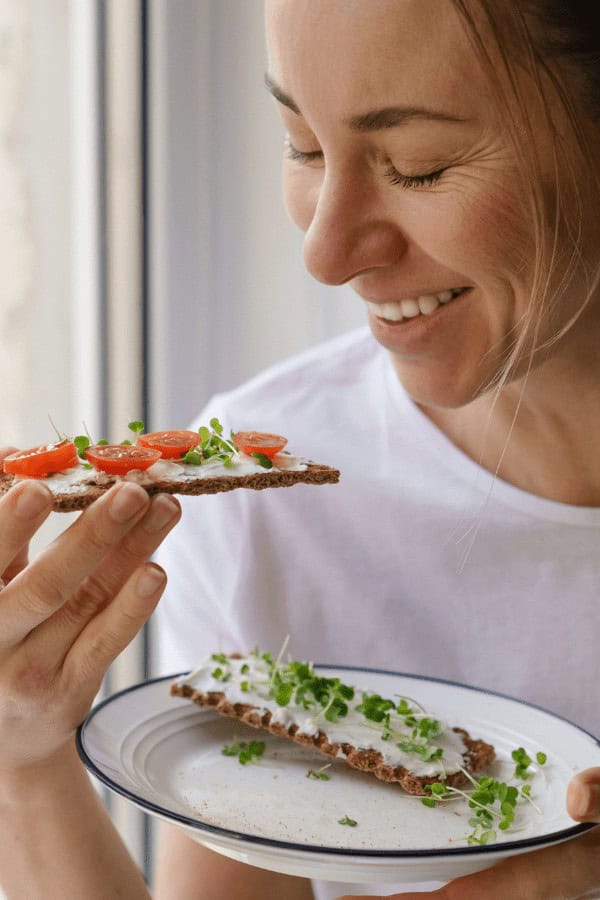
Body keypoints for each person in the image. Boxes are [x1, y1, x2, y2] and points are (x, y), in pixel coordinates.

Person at [0, 0, 599, 898]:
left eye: (419, 167)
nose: (324, 256)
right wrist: (24, 758)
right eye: (303, 146)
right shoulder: (271, 515)